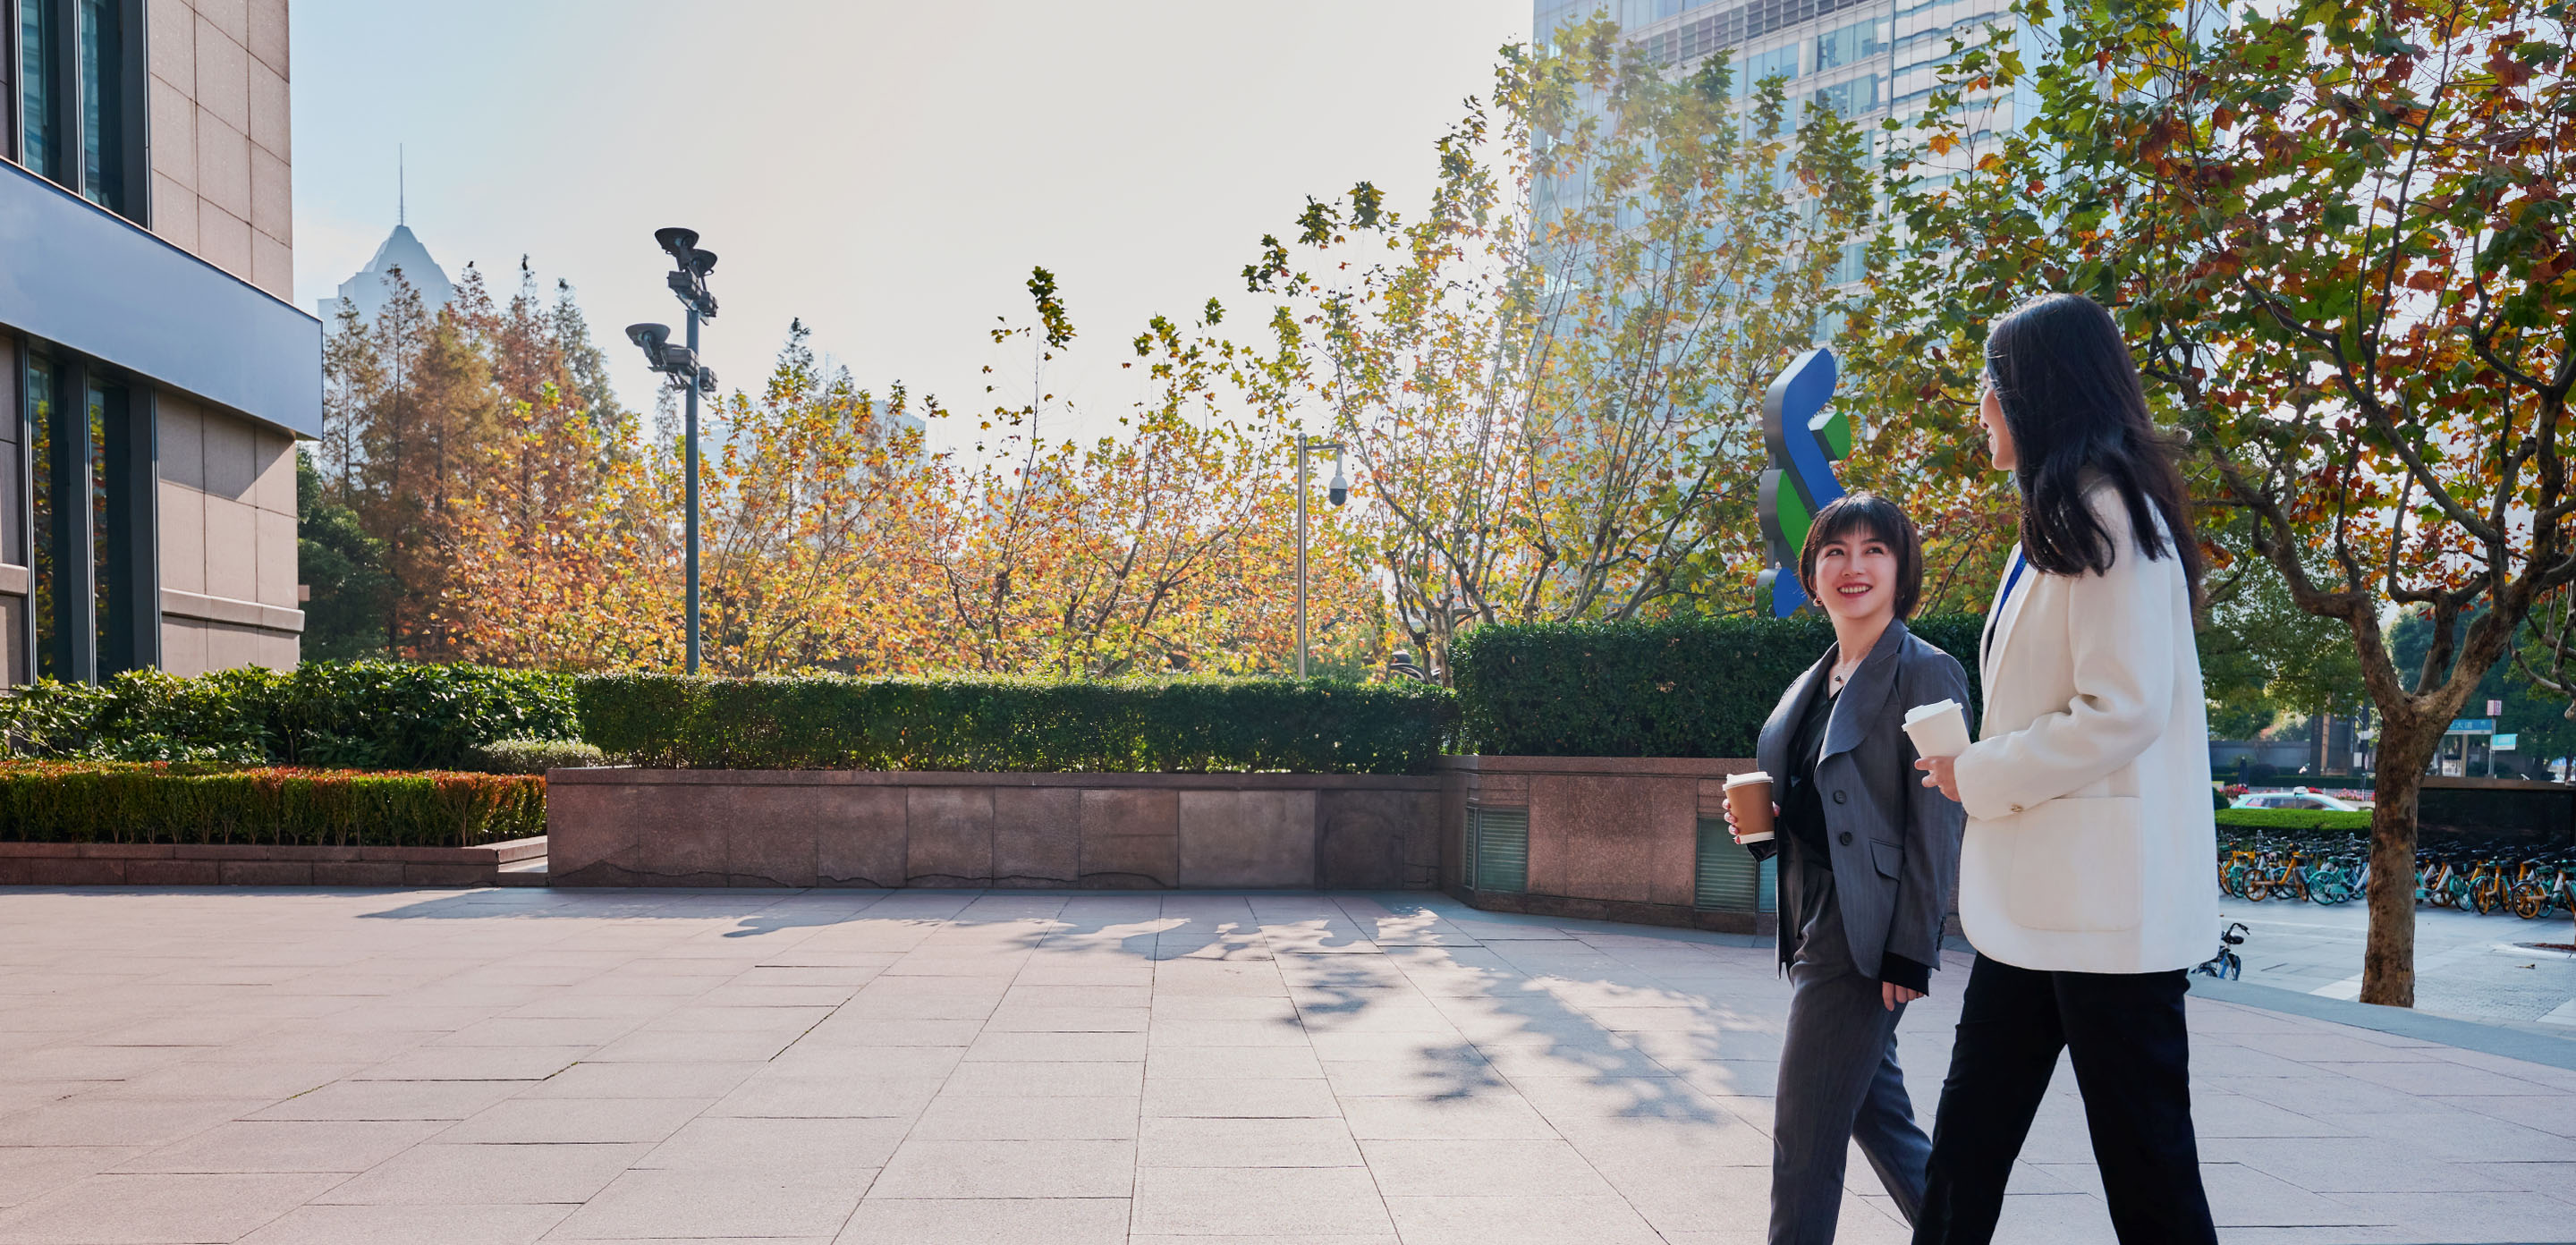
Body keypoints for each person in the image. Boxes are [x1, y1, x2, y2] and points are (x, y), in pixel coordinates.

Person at [1911, 292, 2220, 1244]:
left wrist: (1983, 773)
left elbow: (2123, 709)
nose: (1981, 408)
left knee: (2147, 1167)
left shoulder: (2107, 515)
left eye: (1988, 386)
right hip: (2046, 909)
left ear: (2032, 392)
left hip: (2103, 915)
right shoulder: (2066, 514)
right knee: (1968, 1146)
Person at [1726, 491, 1970, 1245]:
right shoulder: (1814, 680)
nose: (1852, 567)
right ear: (1812, 572)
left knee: (1804, 1133)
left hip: (1863, 936)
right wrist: (1760, 832)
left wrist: (1912, 945)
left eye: (1874, 551)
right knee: (1876, 1114)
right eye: (1835, 552)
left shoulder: (1927, 672)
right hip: (1812, 918)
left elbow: (1939, 818)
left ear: (1902, 571)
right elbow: (1822, 808)